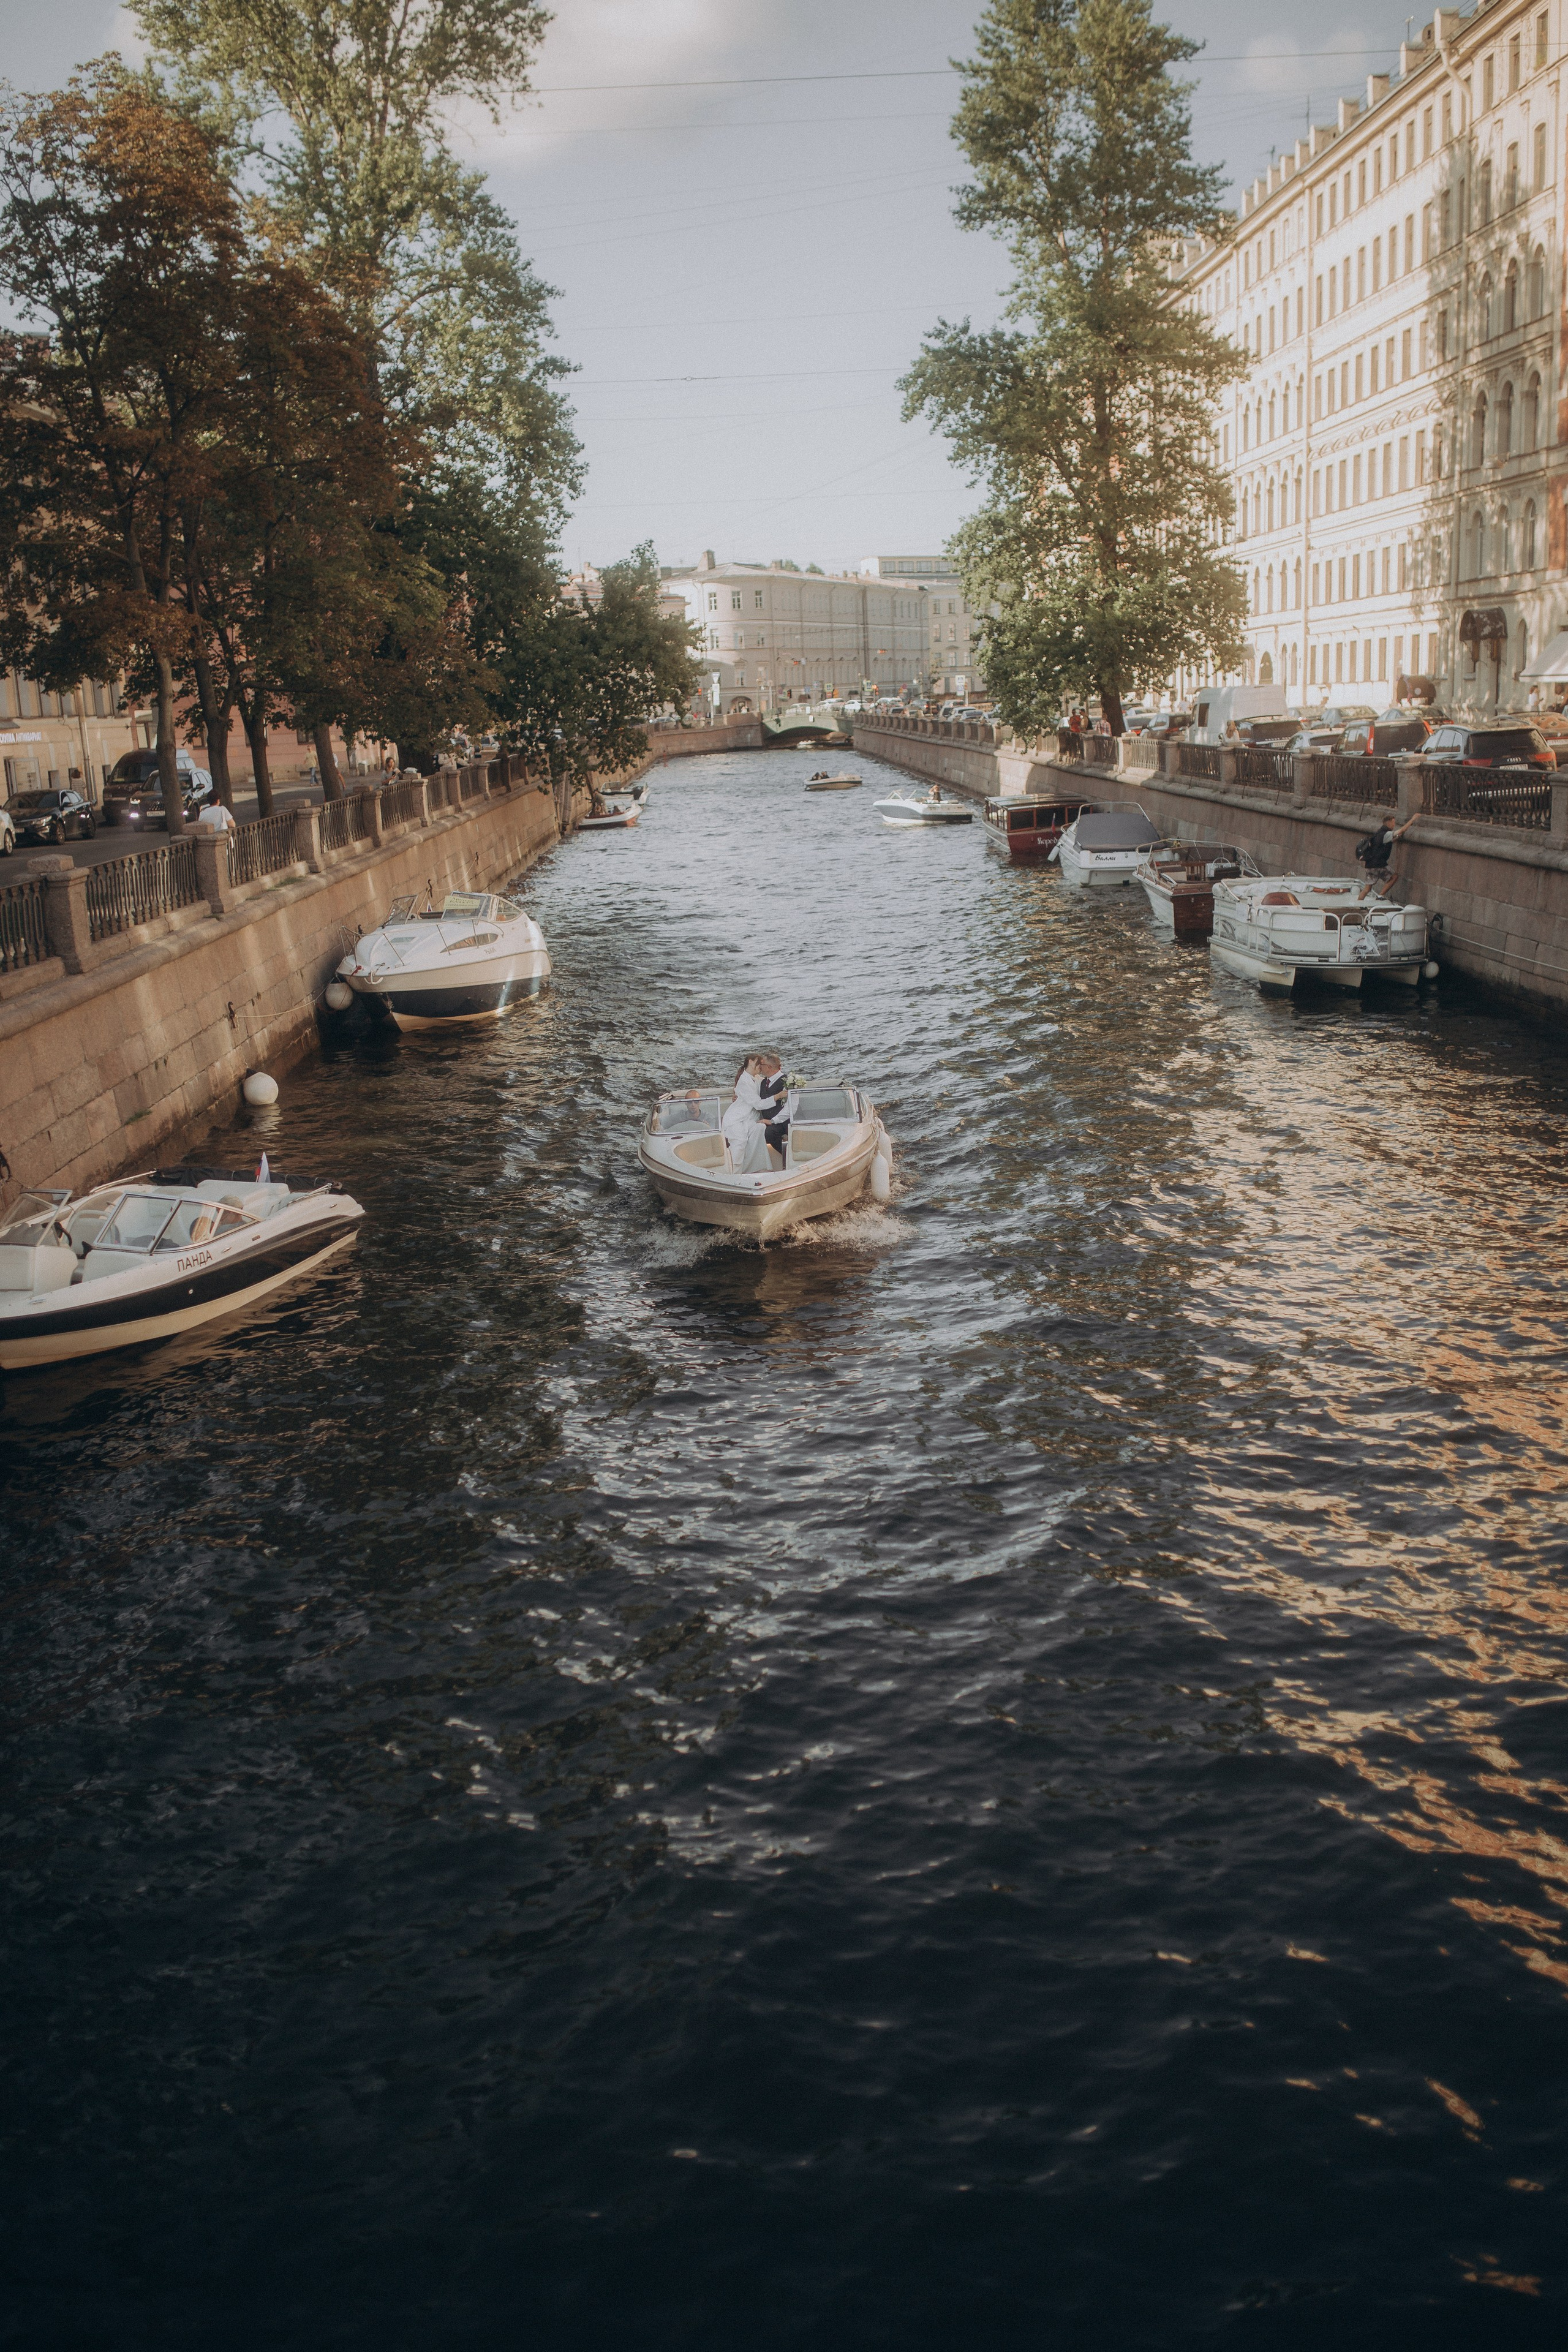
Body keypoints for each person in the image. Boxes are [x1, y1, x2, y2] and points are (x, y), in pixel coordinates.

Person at [1356, 805, 1419, 895]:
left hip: (1370, 864)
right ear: (1389, 823)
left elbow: (1386, 843)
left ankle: (1359, 904)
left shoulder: (1379, 833)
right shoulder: (1386, 834)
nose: (1394, 825)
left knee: (1367, 889)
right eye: (1393, 823)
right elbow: (1402, 830)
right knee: (1394, 877)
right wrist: (1413, 819)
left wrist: (1397, 837)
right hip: (1378, 865)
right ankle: (1381, 896)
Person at [722, 1058, 770, 1173]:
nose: (761, 1066)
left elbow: (770, 1081)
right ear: (751, 1062)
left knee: (760, 1128)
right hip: (737, 1119)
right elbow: (758, 1104)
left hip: (750, 1119)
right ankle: (733, 1174)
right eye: (759, 1063)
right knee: (740, 1142)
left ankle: (753, 1169)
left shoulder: (758, 1079)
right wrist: (777, 1096)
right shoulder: (744, 1080)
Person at [756, 1054, 795, 1164]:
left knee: (771, 1132)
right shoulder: (763, 1082)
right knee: (767, 1133)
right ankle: (786, 1157)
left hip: (786, 1120)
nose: (760, 1067)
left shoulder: (788, 1082)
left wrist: (773, 1121)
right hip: (772, 1123)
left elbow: (790, 1108)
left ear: (768, 1067)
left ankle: (791, 1158)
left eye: (762, 1064)